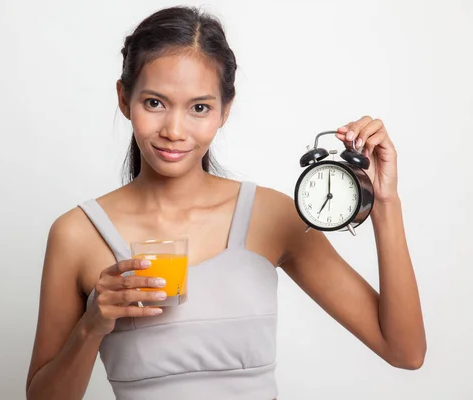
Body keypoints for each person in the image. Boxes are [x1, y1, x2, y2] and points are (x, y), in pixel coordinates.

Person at [24, 6, 426, 400]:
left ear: (224, 111)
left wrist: (385, 202)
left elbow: (404, 351)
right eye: (154, 103)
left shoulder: (272, 217)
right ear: (124, 98)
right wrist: (92, 326)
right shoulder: (77, 235)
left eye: (199, 108)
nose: (174, 131)